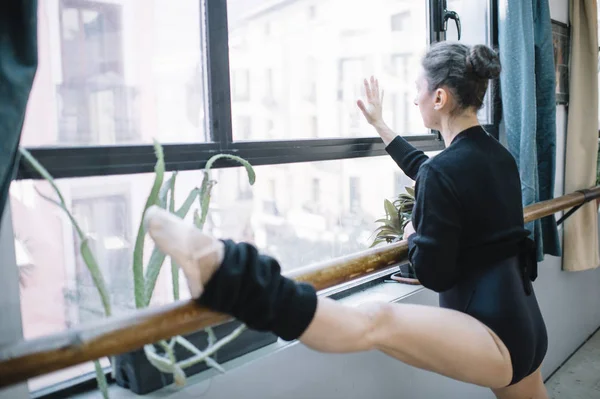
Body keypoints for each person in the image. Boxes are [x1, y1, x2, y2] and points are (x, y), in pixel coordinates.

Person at [144, 41, 549, 399]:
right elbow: (431, 172)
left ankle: (225, 272)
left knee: (377, 320)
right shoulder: (498, 156)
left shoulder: (444, 172)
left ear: (439, 98)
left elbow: (434, 272)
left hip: (491, 336)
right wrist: (380, 124)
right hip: (525, 322)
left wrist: (412, 233)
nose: (415, 100)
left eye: (417, 91)